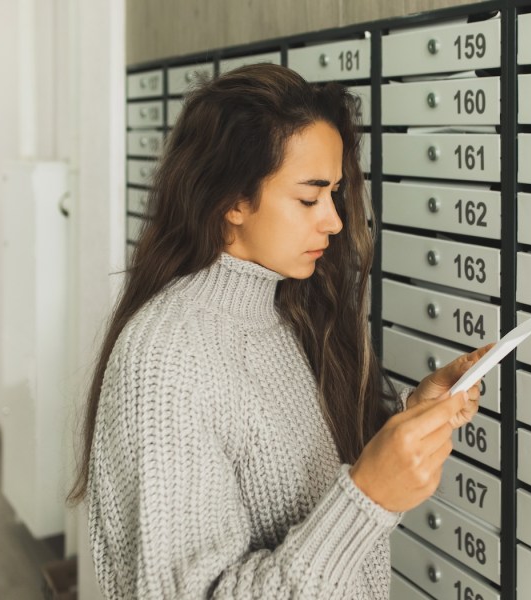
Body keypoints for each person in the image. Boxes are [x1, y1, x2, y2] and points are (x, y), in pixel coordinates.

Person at [68, 63, 488, 599]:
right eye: (309, 198)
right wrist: (368, 496)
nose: (334, 221)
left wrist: (408, 427)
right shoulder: (166, 360)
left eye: (335, 194)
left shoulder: (283, 315)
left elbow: (327, 530)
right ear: (233, 201)